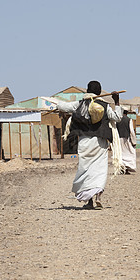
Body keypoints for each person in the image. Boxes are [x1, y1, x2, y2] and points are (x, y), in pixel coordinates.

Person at [57, 80, 123, 209]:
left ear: (87, 90)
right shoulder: (105, 106)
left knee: (85, 170)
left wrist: (57, 105)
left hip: (84, 142)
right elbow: (117, 117)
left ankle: (90, 201)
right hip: (100, 142)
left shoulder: (80, 104)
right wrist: (117, 102)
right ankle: (98, 195)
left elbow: (64, 107)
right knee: (99, 170)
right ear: (99, 92)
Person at [116, 109, 137, 174]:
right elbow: (131, 131)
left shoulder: (117, 120)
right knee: (129, 153)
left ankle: (121, 168)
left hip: (118, 139)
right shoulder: (129, 120)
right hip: (126, 139)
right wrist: (134, 141)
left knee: (120, 153)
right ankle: (127, 168)